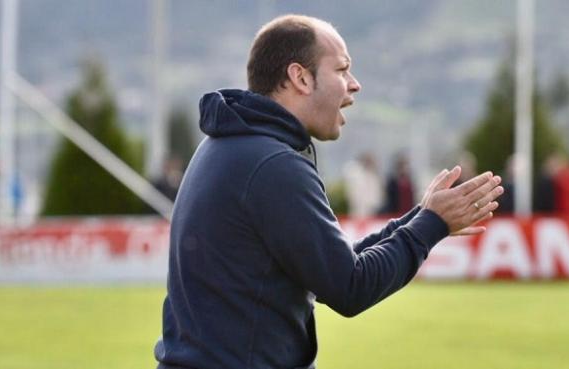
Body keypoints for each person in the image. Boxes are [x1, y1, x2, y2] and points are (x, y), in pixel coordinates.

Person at [154, 14, 504, 369]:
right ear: (300, 78)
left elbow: (330, 269)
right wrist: (431, 225)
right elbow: (349, 287)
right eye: (341, 70)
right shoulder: (273, 164)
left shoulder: (233, 145)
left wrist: (423, 216)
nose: (354, 85)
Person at [343, 152, 383, 218]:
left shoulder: (374, 176)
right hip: (358, 209)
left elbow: (377, 195)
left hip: (372, 209)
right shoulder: (357, 174)